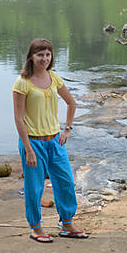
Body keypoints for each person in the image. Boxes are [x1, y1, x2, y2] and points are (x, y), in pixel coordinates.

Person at [12, 39, 87, 242]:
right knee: (34, 187)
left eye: (48, 55)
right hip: (33, 142)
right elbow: (19, 118)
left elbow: (71, 102)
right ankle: (36, 228)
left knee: (65, 182)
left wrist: (67, 130)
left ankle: (67, 223)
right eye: (40, 55)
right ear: (31, 57)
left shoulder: (54, 78)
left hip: (55, 141)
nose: (44, 59)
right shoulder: (22, 83)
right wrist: (28, 149)